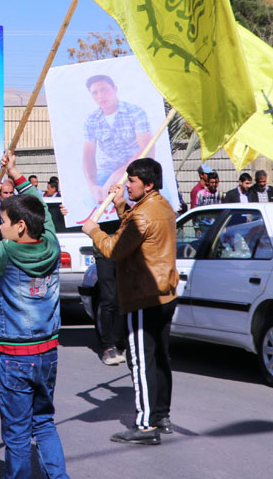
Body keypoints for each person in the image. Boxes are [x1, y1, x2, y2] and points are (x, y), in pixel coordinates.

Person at [0, 151, 68, 478]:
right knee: (44, 422)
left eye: (4, 221)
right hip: (47, 351)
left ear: (20, 226)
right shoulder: (51, 245)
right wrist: (17, 174)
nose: (0, 226)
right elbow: (41, 209)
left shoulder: (4, 253)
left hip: (16, 355)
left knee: (17, 433)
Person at [82, 158, 178, 445]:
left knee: (141, 362)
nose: (126, 185)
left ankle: (146, 425)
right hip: (164, 294)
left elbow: (114, 250)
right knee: (159, 358)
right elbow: (138, 230)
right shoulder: (161, 206)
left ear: (148, 184)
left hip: (142, 296)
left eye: (132, 181)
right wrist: (121, 204)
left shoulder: (143, 215)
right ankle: (161, 415)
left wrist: (94, 231)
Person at [82, 74, 153, 205]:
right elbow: (88, 156)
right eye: (95, 93)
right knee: (86, 202)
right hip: (106, 174)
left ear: (115, 89)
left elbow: (147, 150)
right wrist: (92, 186)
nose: (100, 96)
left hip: (137, 171)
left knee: (161, 201)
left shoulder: (135, 112)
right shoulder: (91, 120)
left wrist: (119, 175)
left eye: (103, 89)